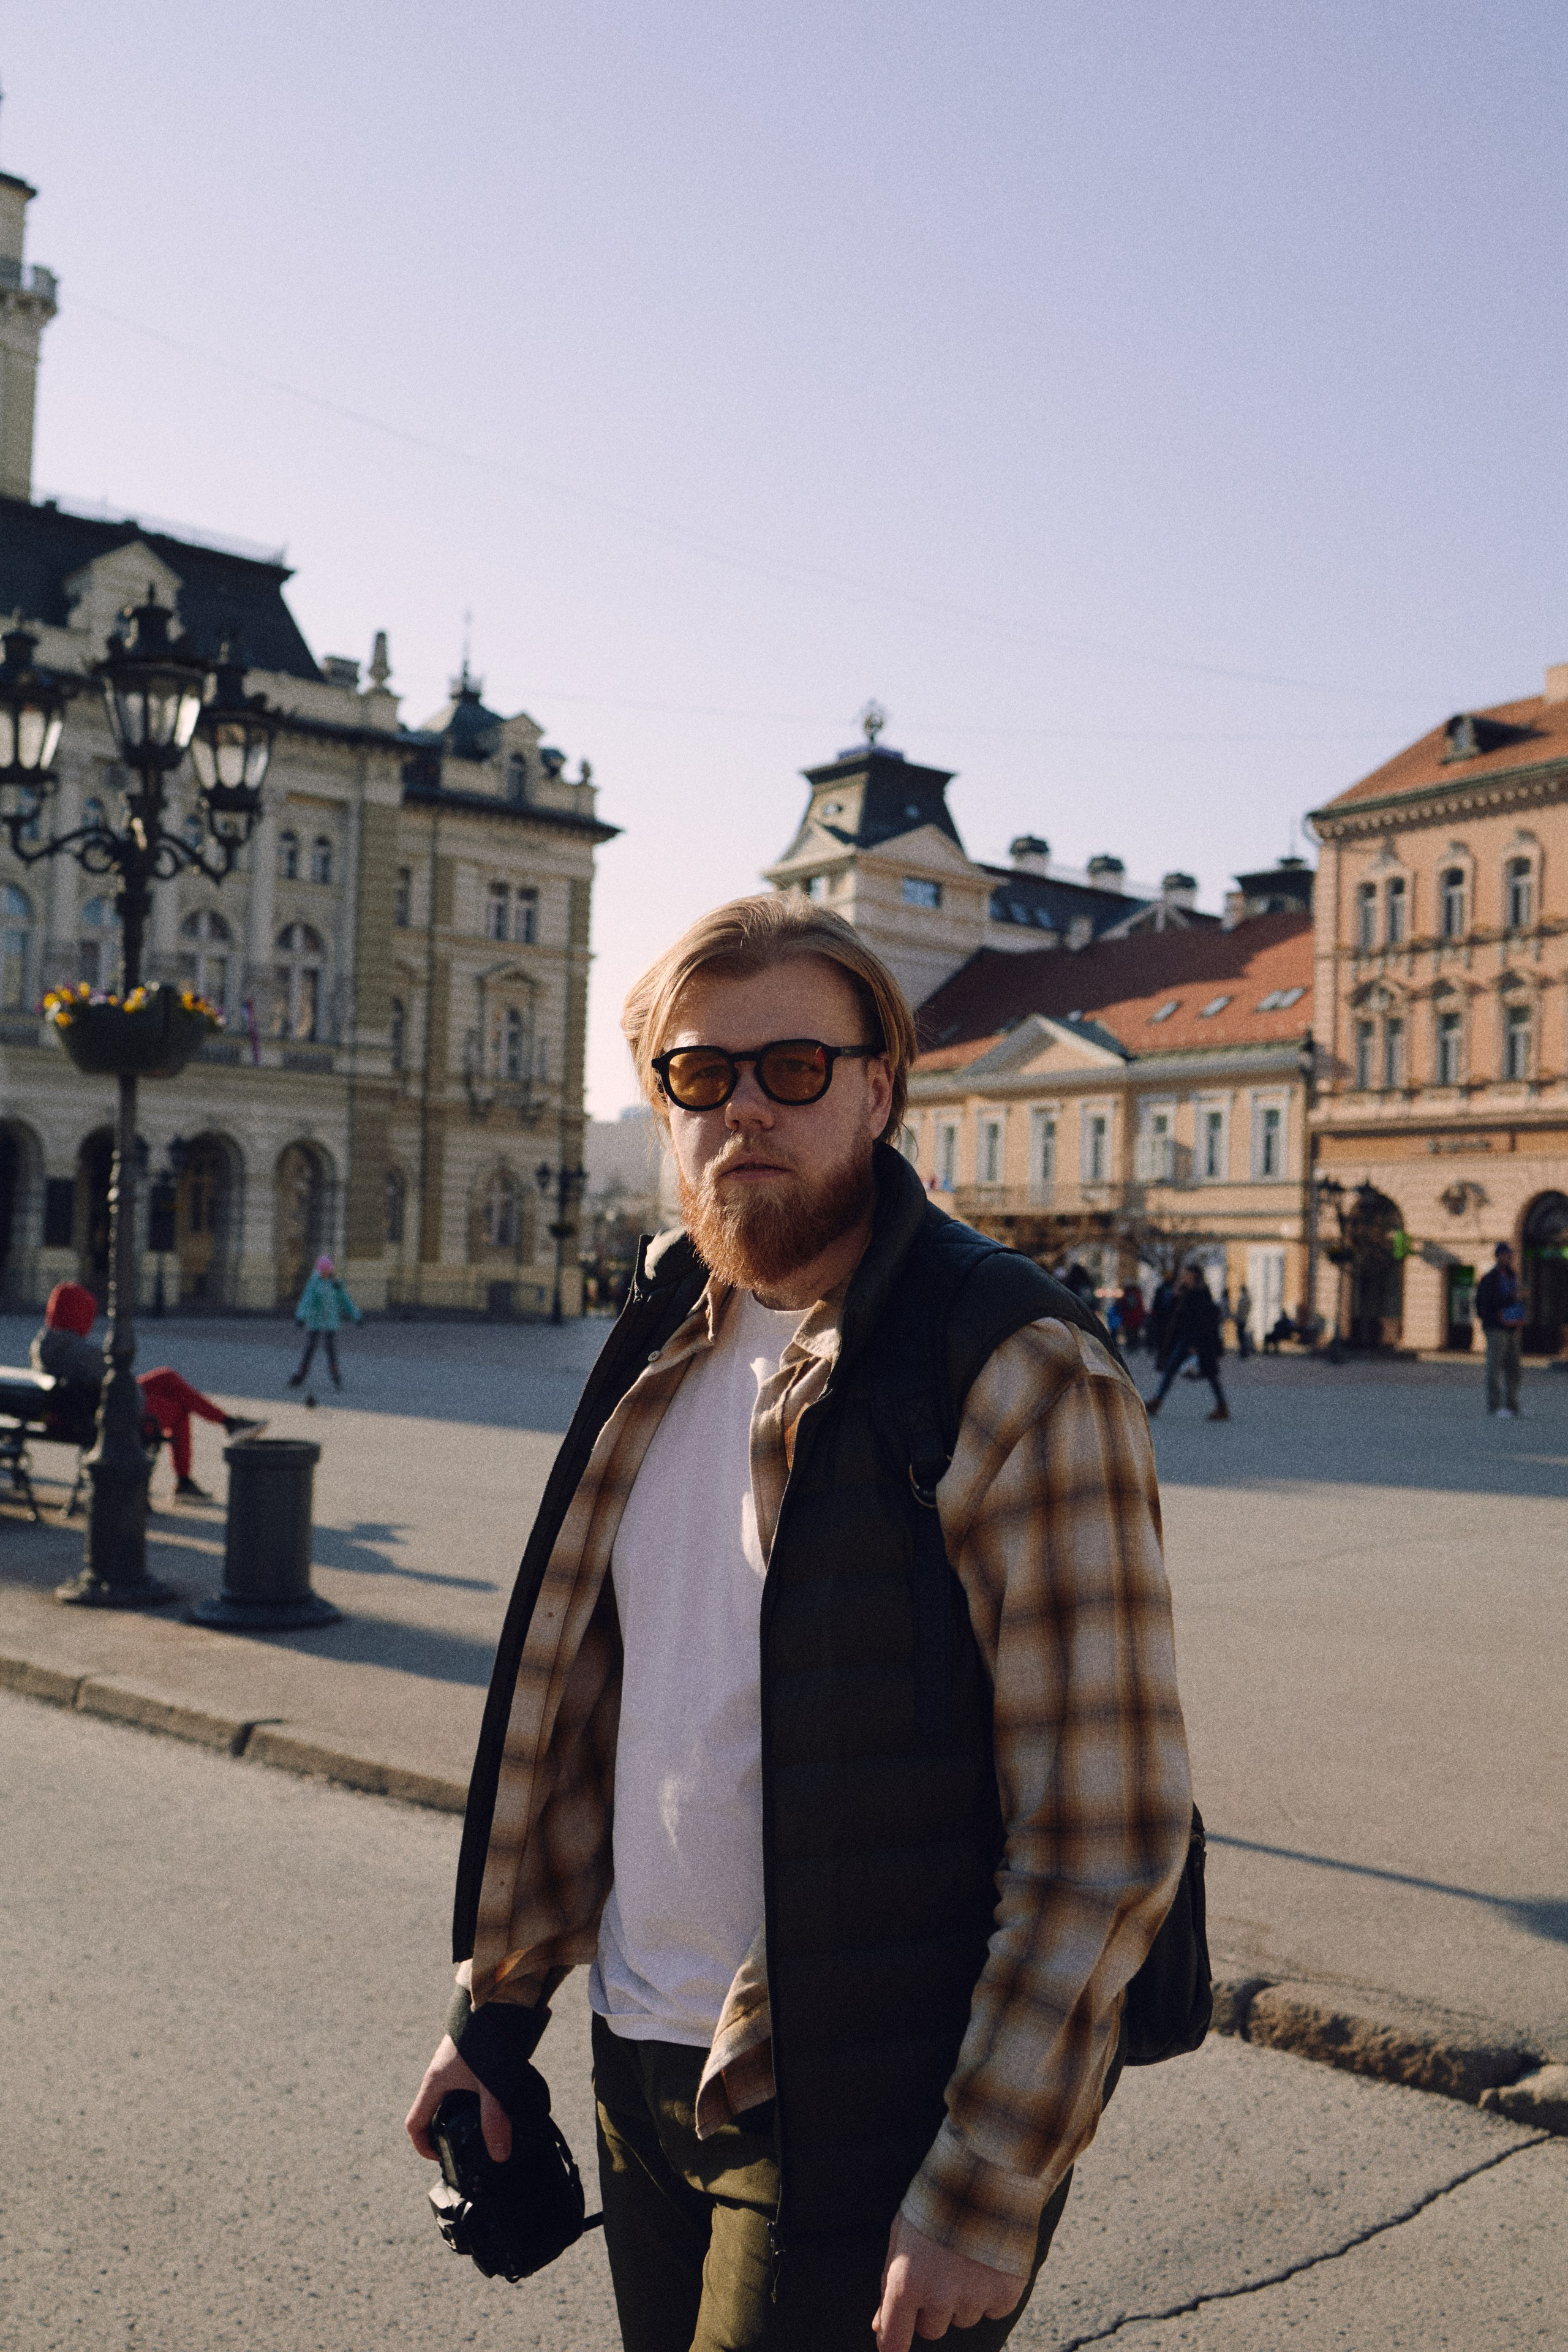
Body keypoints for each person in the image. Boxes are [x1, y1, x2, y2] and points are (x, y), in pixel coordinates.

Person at [405, 897, 1192, 2352]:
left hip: (858, 2090)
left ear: (879, 1085)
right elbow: (589, 1715)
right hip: (640, 2051)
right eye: (702, 1075)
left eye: (796, 1068)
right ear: (660, 1099)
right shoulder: (665, 1330)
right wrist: (493, 2014)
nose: (745, 1106)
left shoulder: (1016, 1364)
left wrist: (983, 2183)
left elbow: (1105, 1832)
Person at [30, 1280, 265, 1501]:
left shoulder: (43, 1344)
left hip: (81, 1408)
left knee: (167, 1377)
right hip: (108, 1414)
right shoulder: (81, 1353)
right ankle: (197, 1464)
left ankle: (229, 1424)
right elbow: (126, 1393)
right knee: (178, 1407)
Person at [1145, 1265, 1229, 1422]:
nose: (1184, 1277)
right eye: (1184, 1274)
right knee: (1171, 1369)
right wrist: (1175, 1295)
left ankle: (1222, 1406)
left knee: (1210, 1374)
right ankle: (1157, 1401)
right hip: (1185, 1338)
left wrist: (1195, 1345)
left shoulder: (1201, 1293)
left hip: (1198, 1340)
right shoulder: (1183, 1293)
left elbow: (1201, 1320)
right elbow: (1168, 1312)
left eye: (1188, 1275)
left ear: (1195, 1276)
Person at [288, 1254, 361, 1393]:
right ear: (319, 1270)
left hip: (330, 1322)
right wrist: (301, 1317)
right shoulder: (314, 1283)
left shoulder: (336, 1285)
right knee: (310, 1348)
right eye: (323, 1270)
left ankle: (335, 1375)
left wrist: (356, 1316)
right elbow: (306, 1300)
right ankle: (301, 1374)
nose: (325, 1273)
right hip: (315, 1322)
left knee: (330, 1349)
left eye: (327, 1270)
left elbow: (346, 1301)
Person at [1474, 1241, 1527, 1417]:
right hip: (1496, 1328)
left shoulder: (1513, 1276)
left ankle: (1512, 1406)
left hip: (1512, 1328)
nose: (1510, 1258)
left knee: (1514, 1369)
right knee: (1495, 1368)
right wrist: (1513, 1298)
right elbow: (1487, 1302)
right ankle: (1495, 1407)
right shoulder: (1491, 1278)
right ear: (1498, 1257)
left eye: (1511, 1255)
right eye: (1506, 1255)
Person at [1117, 1281, 1145, 1354]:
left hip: (1128, 1319)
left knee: (1129, 1334)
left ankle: (1130, 1348)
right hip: (1136, 1318)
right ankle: (1135, 1347)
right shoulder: (1138, 1294)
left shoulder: (1126, 1294)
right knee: (1135, 1333)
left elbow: (1122, 1306)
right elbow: (1141, 1307)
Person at [1232, 1283, 1253, 1360]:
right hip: (1244, 1319)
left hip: (1241, 1319)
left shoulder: (1243, 1298)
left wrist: (1237, 1317)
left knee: (1241, 1336)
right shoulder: (1248, 1298)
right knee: (1242, 1336)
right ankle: (1244, 1352)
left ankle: (1243, 1352)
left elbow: (1240, 1310)